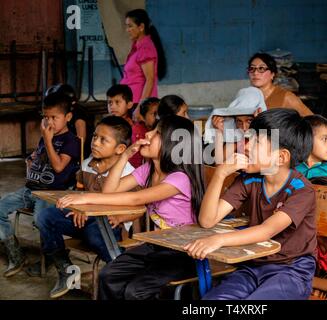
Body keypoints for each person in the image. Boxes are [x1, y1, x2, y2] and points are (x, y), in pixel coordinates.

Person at [56, 115, 205, 300]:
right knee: (107, 276)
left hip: (182, 253)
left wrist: (85, 198)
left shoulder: (179, 178)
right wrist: (125, 155)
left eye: (157, 133)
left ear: (172, 145)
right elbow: (109, 192)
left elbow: (136, 198)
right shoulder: (148, 169)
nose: (148, 134)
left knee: (134, 292)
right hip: (156, 247)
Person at [185, 108, 317, 300]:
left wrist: (218, 239)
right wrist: (221, 173)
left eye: (256, 142)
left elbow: (266, 231)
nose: (246, 147)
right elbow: (207, 220)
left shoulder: (302, 190)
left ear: (281, 157)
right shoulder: (250, 179)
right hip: (253, 265)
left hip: (291, 270)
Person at [29, 116, 134, 299]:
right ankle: (66, 269)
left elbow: (137, 206)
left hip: (110, 223)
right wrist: (79, 209)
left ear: (120, 149)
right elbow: (81, 193)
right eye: (94, 137)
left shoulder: (129, 172)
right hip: (84, 219)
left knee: (94, 235)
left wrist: (121, 218)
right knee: (45, 217)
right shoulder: (87, 165)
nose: (95, 143)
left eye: (103, 140)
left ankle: (124, 270)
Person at [0, 92, 80, 277]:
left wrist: (49, 141)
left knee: (40, 219)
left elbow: (59, 167)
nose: (49, 122)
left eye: (54, 117)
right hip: (31, 190)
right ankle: (16, 255)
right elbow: (40, 156)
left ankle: (55, 258)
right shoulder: (45, 138)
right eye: (46, 117)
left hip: (52, 193)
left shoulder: (71, 141)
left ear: (67, 117)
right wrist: (32, 159)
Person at [203, 87, 267, 164]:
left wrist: (259, 126)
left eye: (249, 121)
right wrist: (219, 131)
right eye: (239, 121)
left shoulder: (269, 137)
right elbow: (219, 163)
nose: (244, 127)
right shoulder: (237, 138)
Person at [120, 9, 166, 104]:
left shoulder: (146, 48)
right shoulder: (137, 47)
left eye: (130, 26)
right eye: (126, 26)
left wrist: (140, 107)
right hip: (130, 101)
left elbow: (150, 80)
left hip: (138, 103)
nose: (127, 30)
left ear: (141, 27)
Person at [247, 53, 313, 116]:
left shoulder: (286, 97)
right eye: (252, 68)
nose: (255, 73)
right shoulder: (247, 97)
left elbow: (312, 120)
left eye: (261, 68)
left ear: (272, 74)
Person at [45, 84, 92, 159]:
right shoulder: (63, 112)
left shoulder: (78, 114)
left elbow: (81, 141)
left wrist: (69, 154)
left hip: (78, 154)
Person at [129, 97, 160, 168]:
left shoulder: (160, 130)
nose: (158, 117)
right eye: (154, 114)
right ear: (143, 116)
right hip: (136, 168)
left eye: (159, 114)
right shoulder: (138, 131)